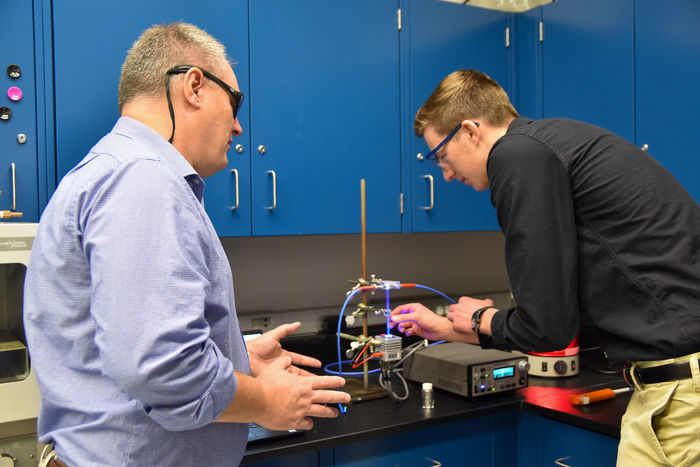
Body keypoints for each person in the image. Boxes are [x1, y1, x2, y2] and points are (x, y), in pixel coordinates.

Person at [23, 23, 350, 467]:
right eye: (235, 104)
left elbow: (119, 346)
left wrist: (236, 354)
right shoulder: (144, 178)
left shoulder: (112, 170)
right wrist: (265, 401)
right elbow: (162, 366)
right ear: (194, 86)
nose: (237, 127)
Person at [390, 69, 699, 466]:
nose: (446, 174)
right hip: (677, 383)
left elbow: (547, 327)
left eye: (441, 156)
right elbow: (565, 320)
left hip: (680, 394)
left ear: (470, 130)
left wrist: (484, 317)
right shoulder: (551, 143)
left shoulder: (516, 155)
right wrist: (455, 329)